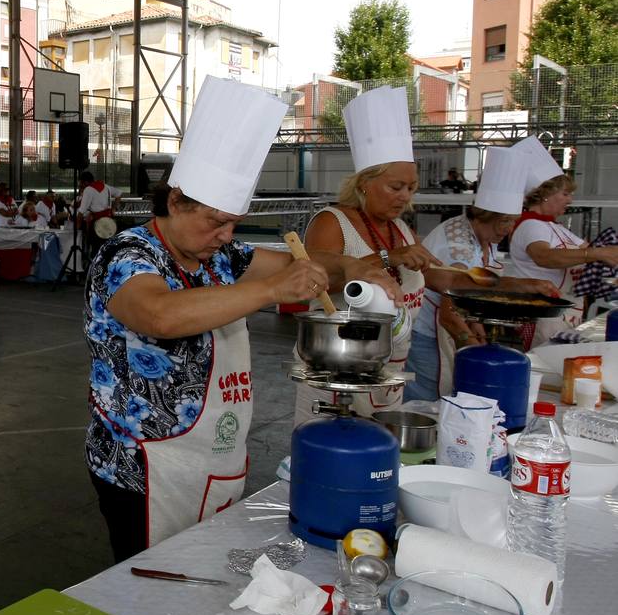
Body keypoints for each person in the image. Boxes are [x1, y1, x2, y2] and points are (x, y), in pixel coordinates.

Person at [84, 77, 395, 559]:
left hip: (214, 452)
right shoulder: (127, 254)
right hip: (141, 463)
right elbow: (159, 315)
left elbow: (304, 263)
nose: (226, 234)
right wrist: (271, 290)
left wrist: (350, 267)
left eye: (234, 222)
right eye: (215, 222)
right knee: (150, 580)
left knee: (206, 567)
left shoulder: (222, 255)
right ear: (174, 201)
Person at [297, 87, 483, 421]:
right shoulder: (333, 221)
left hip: (389, 371)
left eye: (411, 187)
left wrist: (487, 285)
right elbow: (315, 279)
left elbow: (432, 275)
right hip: (335, 370)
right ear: (364, 183)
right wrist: (388, 258)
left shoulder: (399, 228)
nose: (404, 196)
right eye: (395, 187)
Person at [405, 147, 557, 400]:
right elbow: (451, 313)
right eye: (504, 222)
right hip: (426, 335)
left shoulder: (484, 235)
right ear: (486, 215)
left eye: (511, 222)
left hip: (442, 330)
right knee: (428, 403)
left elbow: (469, 299)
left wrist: (480, 336)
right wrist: (477, 354)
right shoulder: (458, 248)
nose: (507, 230)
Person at [507, 136, 618, 346]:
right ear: (544, 195)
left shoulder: (555, 228)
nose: (570, 200)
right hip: (544, 314)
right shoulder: (531, 226)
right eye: (565, 194)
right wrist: (599, 253)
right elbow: (544, 257)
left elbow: (593, 251)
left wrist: (607, 252)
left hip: (567, 311)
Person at [76, 169, 122, 254]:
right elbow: (119, 193)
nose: (80, 184)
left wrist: (77, 228)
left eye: (81, 182)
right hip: (109, 222)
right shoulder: (106, 186)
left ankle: (94, 265)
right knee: (107, 248)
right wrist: (114, 209)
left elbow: (81, 211)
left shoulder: (88, 190)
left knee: (95, 250)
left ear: (85, 182)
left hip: (96, 224)